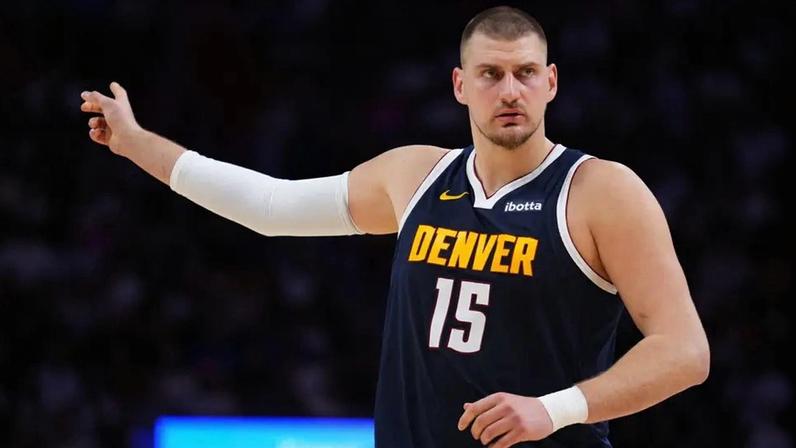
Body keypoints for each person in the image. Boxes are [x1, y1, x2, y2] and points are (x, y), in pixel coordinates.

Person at [79, 6, 709, 448]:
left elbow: (685, 351)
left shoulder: (600, 190)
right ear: (460, 85)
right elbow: (269, 208)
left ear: (551, 82)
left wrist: (555, 409)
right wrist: (136, 145)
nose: (509, 90)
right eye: (491, 74)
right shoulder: (415, 175)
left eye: (525, 73)